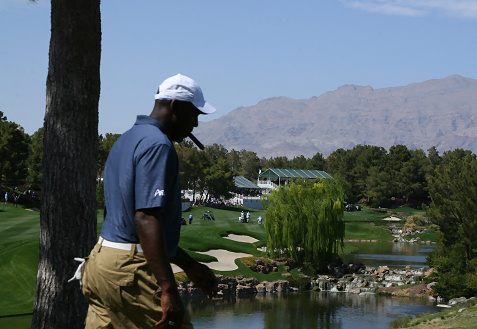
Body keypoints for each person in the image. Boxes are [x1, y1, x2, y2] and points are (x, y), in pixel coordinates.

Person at [81, 74, 218, 329]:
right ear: (175, 106)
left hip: (101, 263)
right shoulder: (159, 145)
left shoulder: (127, 139)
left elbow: (132, 225)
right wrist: (168, 287)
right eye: (194, 114)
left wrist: (189, 265)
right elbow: (145, 219)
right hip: (130, 272)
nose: (196, 124)